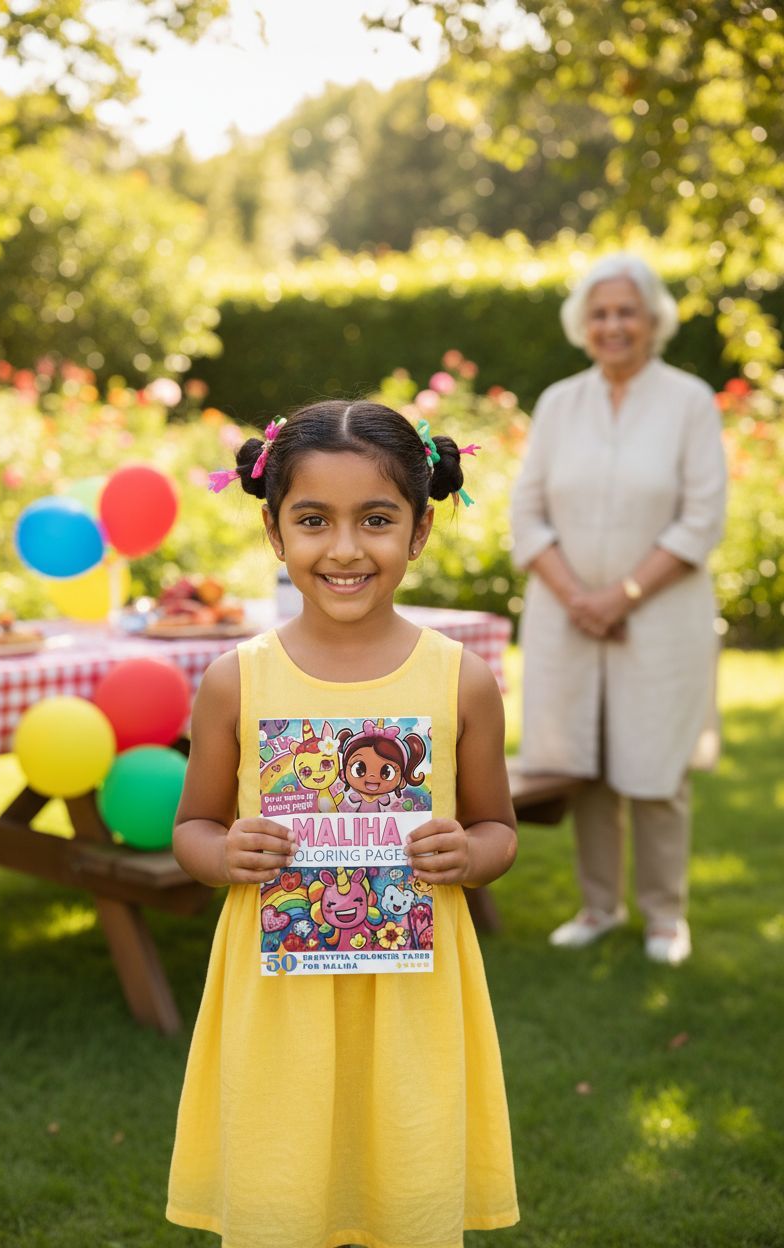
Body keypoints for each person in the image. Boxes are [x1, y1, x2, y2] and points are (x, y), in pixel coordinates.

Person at [167, 400, 520, 1248]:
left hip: (413, 996)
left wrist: (469, 851)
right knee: (283, 1187)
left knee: (406, 1179)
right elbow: (194, 828)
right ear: (274, 532)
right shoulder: (233, 680)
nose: (346, 548)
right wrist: (227, 852)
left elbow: (500, 830)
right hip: (278, 995)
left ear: (420, 529)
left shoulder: (462, 681)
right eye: (314, 520)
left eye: (377, 519)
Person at [510, 252, 726, 966]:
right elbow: (527, 514)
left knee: (656, 770)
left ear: (652, 319)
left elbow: (701, 519)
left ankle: (666, 919)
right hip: (565, 619)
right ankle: (599, 907)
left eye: (626, 311)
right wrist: (579, 597)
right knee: (587, 764)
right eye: (600, 312)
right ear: (584, 323)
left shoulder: (689, 401)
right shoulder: (559, 402)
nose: (613, 325)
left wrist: (622, 595)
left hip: (660, 620)